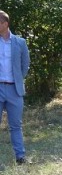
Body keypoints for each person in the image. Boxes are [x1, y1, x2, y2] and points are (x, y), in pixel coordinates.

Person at [0, 10, 30, 165]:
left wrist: (18, 80)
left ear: (5, 24)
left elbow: (25, 65)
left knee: (16, 125)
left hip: (14, 90)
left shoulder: (20, 42)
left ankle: (20, 157)